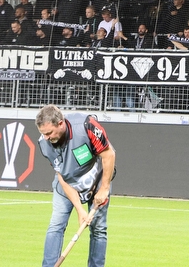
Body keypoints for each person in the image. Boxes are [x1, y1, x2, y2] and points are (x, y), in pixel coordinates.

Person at [36, 104, 116, 267]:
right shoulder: (44, 144)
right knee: (56, 225)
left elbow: (109, 154)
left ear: (61, 123)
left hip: (95, 179)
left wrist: (104, 188)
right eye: (43, 134)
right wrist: (80, 210)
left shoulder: (87, 126)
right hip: (67, 184)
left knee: (99, 228)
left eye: (49, 133)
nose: (46, 137)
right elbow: (62, 178)